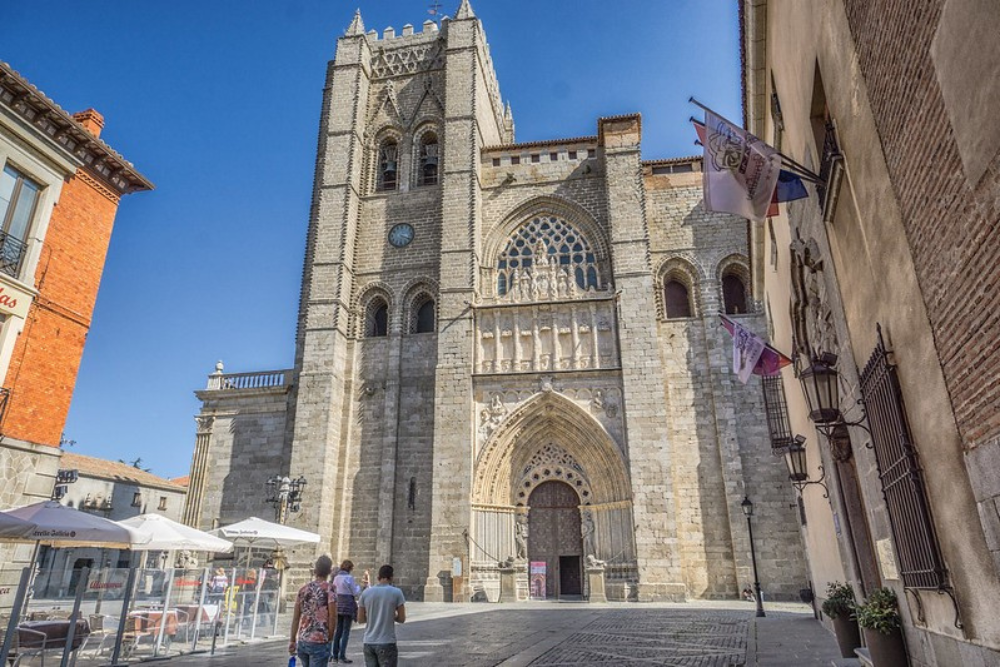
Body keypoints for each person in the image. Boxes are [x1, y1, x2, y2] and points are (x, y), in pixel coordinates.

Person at [289, 555, 335, 666]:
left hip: (303, 640)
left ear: (315, 570)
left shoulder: (303, 589)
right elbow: (333, 616)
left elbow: (296, 617)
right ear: (329, 571)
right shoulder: (329, 589)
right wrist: (330, 637)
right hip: (320, 639)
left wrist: (292, 640)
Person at [356, 565, 405, 667]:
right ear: (391, 577)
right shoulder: (396, 593)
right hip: (386, 641)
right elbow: (401, 618)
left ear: (379, 576)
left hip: (368, 641)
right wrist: (391, 615)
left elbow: (360, 619)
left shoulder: (366, 593)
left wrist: (372, 616)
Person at [330, 560, 370, 663]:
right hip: (347, 606)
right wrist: (360, 586)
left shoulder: (336, 578)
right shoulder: (349, 578)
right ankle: (342, 655)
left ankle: (335, 655)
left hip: (338, 605)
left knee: (337, 631)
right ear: (350, 568)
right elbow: (355, 592)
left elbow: (334, 590)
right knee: (346, 631)